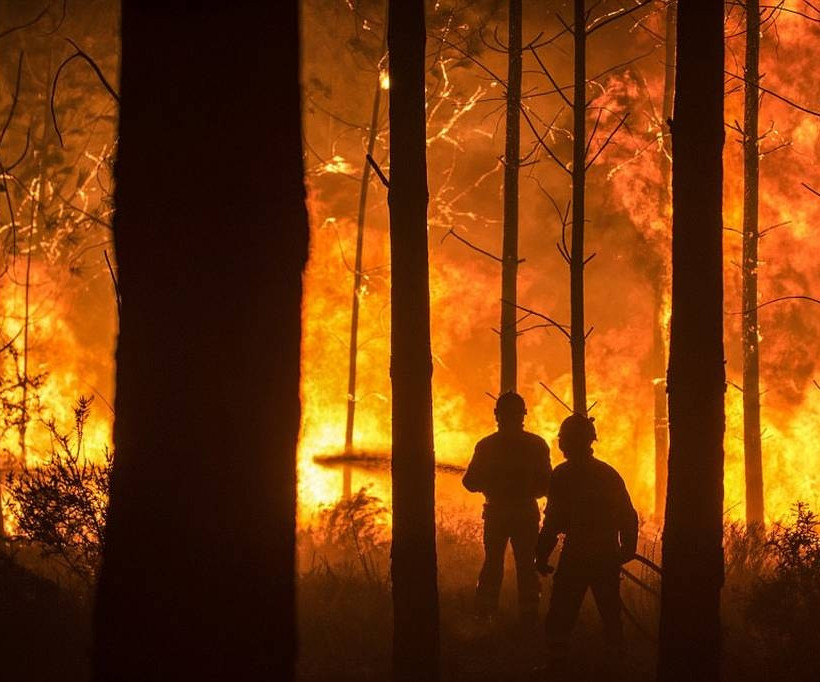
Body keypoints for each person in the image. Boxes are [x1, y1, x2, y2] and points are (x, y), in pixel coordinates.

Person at [535, 413, 638, 670]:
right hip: (605, 553)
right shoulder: (608, 473)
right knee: (610, 613)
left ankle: (556, 665)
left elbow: (553, 521)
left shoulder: (562, 474)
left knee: (561, 613)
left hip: (577, 554)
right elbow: (628, 514)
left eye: (564, 440)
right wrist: (627, 548)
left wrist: (541, 554)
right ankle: (617, 665)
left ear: (566, 443)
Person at [462, 392, 551, 624]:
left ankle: (485, 612)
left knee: (493, 562)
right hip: (525, 514)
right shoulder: (537, 444)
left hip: (496, 514)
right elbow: (546, 485)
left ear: (496, 415)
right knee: (526, 563)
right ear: (523, 415)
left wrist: (490, 482)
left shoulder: (486, 446)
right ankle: (529, 614)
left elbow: (470, 483)